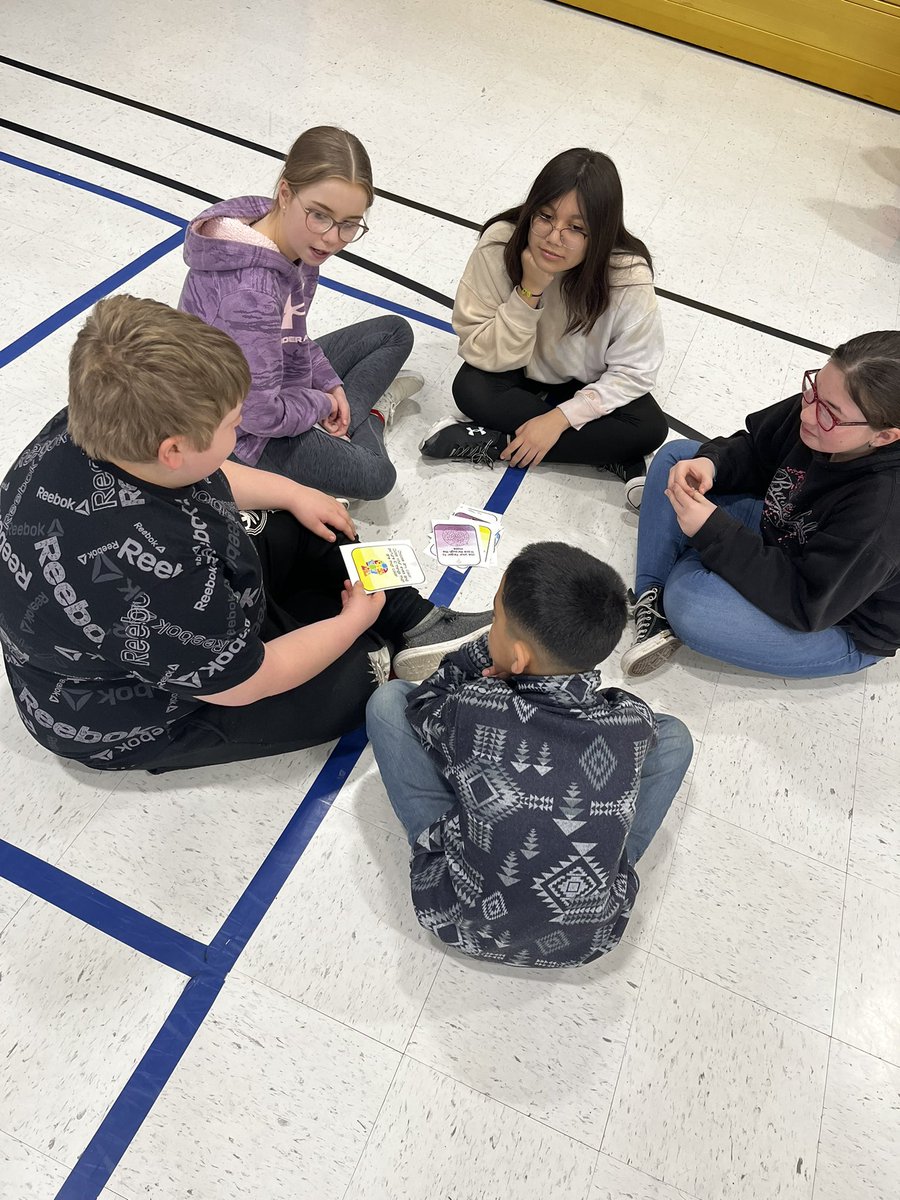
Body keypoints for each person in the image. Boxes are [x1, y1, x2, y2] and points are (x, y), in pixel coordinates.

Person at [0, 297, 491, 773]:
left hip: (189, 615)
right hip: (150, 708)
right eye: (234, 425)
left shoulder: (96, 422)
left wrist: (293, 491)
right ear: (174, 449)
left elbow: (208, 476)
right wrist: (347, 625)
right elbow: (247, 681)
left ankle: (417, 621)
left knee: (310, 519)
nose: (240, 436)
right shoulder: (158, 574)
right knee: (364, 673)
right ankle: (374, 628)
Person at [366, 542, 693, 968]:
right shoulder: (631, 721)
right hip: (590, 941)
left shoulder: (473, 706)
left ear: (518, 656)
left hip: (458, 921)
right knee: (675, 737)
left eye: (495, 620)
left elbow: (422, 703)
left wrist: (479, 659)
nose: (490, 628)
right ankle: (610, 864)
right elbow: (621, 717)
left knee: (388, 702)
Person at [621, 330, 900, 679]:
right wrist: (713, 464)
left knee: (692, 605)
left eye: (830, 413)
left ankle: (674, 549)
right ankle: (654, 598)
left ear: (884, 436)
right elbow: (756, 449)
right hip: (781, 530)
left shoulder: (882, 515)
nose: (809, 415)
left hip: (837, 619)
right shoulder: (823, 409)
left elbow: (806, 604)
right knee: (678, 458)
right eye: (813, 391)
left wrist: (715, 534)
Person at [179, 125, 422, 502]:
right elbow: (260, 416)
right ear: (286, 193)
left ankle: (346, 415)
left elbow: (292, 334)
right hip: (240, 434)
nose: (331, 238)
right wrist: (323, 404)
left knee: (395, 332)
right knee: (377, 477)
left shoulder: (293, 238)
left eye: (349, 224)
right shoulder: (250, 295)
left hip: (272, 376)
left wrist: (330, 383)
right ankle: (368, 418)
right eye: (321, 216)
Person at [420, 148, 668, 509]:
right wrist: (528, 292)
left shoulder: (626, 275)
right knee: (470, 387)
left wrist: (557, 420)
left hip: (587, 379)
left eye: (576, 228)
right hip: (516, 367)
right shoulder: (500, 244)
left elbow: (636, 371)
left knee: (649, 428)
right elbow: (480, 348)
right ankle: (605, 453)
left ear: (600, 232)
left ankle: (497, 442)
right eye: (546, 217)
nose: (554, 237)